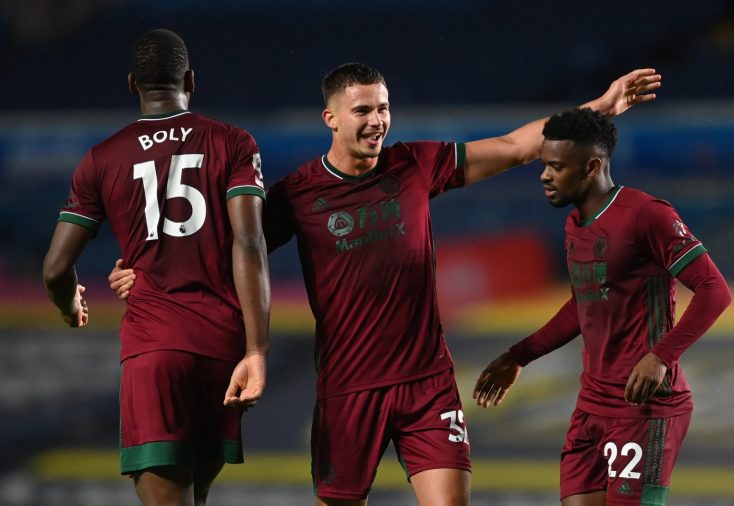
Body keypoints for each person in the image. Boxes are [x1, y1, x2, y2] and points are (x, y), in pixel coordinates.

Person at [110, 62, 662, 505]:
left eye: (384, 108)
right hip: (347, 391)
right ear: (329, 117)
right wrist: (148, 275)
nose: (377, 120)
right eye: (363, 110)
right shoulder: (296, 195)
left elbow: (517, 146)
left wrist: (599, 108)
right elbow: (225, 252)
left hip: (427, 385)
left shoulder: (417, 164)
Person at [42, 28, 270, 506]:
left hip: (155, 351)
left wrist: (70, 304)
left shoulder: (102, 159)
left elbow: (55, 269)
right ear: (190, 79)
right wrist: (256, 348)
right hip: (221, 349)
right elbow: (249, 243)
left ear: (131, 85)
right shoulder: (232, 142)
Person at [473, 107, 731, 505]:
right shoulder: (575, 224)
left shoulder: (646, 215)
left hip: (643, 407)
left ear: (592, 165)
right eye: (545, 165)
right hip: (590, 405)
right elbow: (584, 304)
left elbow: (714, 290)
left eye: (556, 167)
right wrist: (519, 355)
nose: (544, 175)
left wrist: (660, 357)